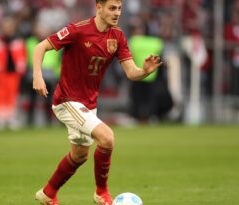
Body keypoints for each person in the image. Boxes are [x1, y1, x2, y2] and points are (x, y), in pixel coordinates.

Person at [32, 0, 162, 204]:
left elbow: (131, 73)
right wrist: (37, 76)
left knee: (80, 155)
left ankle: (48, 193)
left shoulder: (117, 36)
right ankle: (102, 193)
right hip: (67, 100)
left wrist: (144, 71)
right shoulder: (77, 30)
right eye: (112, 8)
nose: (117, 13)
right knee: (107, 138)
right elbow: (41, 47)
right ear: (98, 8)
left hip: (88, 105)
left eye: (119, 8)